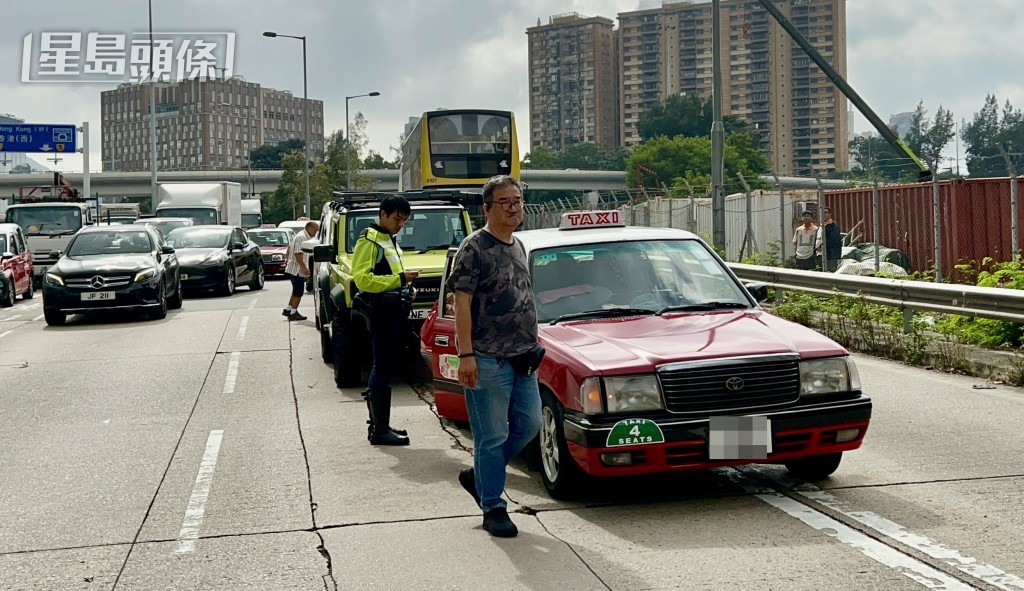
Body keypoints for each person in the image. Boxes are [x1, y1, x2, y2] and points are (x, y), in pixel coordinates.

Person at [447, 174, 542, 538]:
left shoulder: (518, 244)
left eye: (517, 200)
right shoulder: (474, 248)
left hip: (523, 358)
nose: (514, 207)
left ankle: (480, 476)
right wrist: (465, 355)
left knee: (530, 424)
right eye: (505, 202)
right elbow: (462, 304)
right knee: (492, 436)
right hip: (487, 359)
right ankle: (494, 506)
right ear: (486, 208)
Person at [352, 195, 419, 446]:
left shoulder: (387, 239)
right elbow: (363, 280)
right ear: (383, 214)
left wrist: (404, 288)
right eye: (396, 219)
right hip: (381, 313)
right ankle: (380, 430)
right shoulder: (370, 241)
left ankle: (380, 425)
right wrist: (401, 280)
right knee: (382, 368)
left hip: (391, 312)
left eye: (404, 220)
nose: (400, 224)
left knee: (383, 367)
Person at [282, 220, 319, 321]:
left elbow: (289, 247)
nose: (315, 233)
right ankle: (293, 313)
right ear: (309, 228)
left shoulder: (303, 236)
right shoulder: (301, 237)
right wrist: (304, 268)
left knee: (295, 291)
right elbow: (298, 254)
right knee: (298, 292)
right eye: (315, 231)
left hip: (295, 268)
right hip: (296, 269)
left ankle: (288, 309)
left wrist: (286, 259)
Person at [820, 207, 843, 272]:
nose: (823, 214)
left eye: (825, 213)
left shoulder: (833, 226)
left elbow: (833, 240)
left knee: (830, 274)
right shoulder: (822, 226)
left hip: (831, 256)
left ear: (830, 214)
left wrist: (821, 246)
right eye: (822, 213)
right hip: (822, 255)